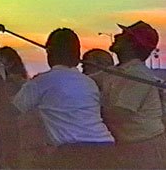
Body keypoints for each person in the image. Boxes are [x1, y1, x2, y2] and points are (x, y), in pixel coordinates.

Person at [13, 28, 115, 168]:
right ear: (77, 55)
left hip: (73, 153)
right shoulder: (88, 83)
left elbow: (12, 111)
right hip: (106, 147)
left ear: (49, 53)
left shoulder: (41, 82)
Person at [96, 21, 166, 168]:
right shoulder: (116, 71)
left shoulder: (139, 75)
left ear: (132, 45)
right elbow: (88, 81)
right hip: (130, 148)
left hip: (145, 150)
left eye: (124, 35)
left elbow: (119, 113)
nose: (117, 36)